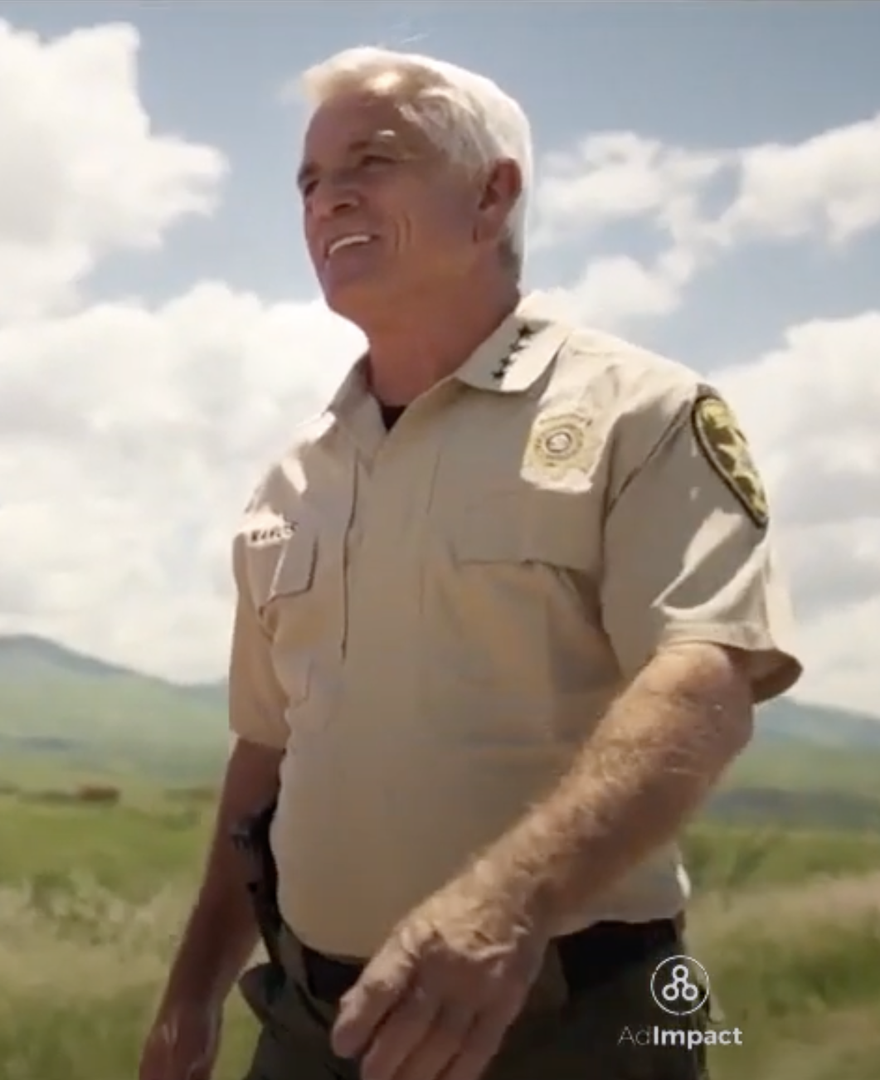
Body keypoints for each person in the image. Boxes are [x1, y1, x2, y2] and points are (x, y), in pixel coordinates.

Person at [139, 47, 801, 1080]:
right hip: (313, 1029)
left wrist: (505, 908)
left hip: (566, 1026)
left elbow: (704, 678)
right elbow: (266, 754)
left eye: (373, 160)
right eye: (310, 180)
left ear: (492, 195)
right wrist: (190, 993)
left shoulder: (644, 414)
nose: (327, 197)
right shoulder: (293, 479)